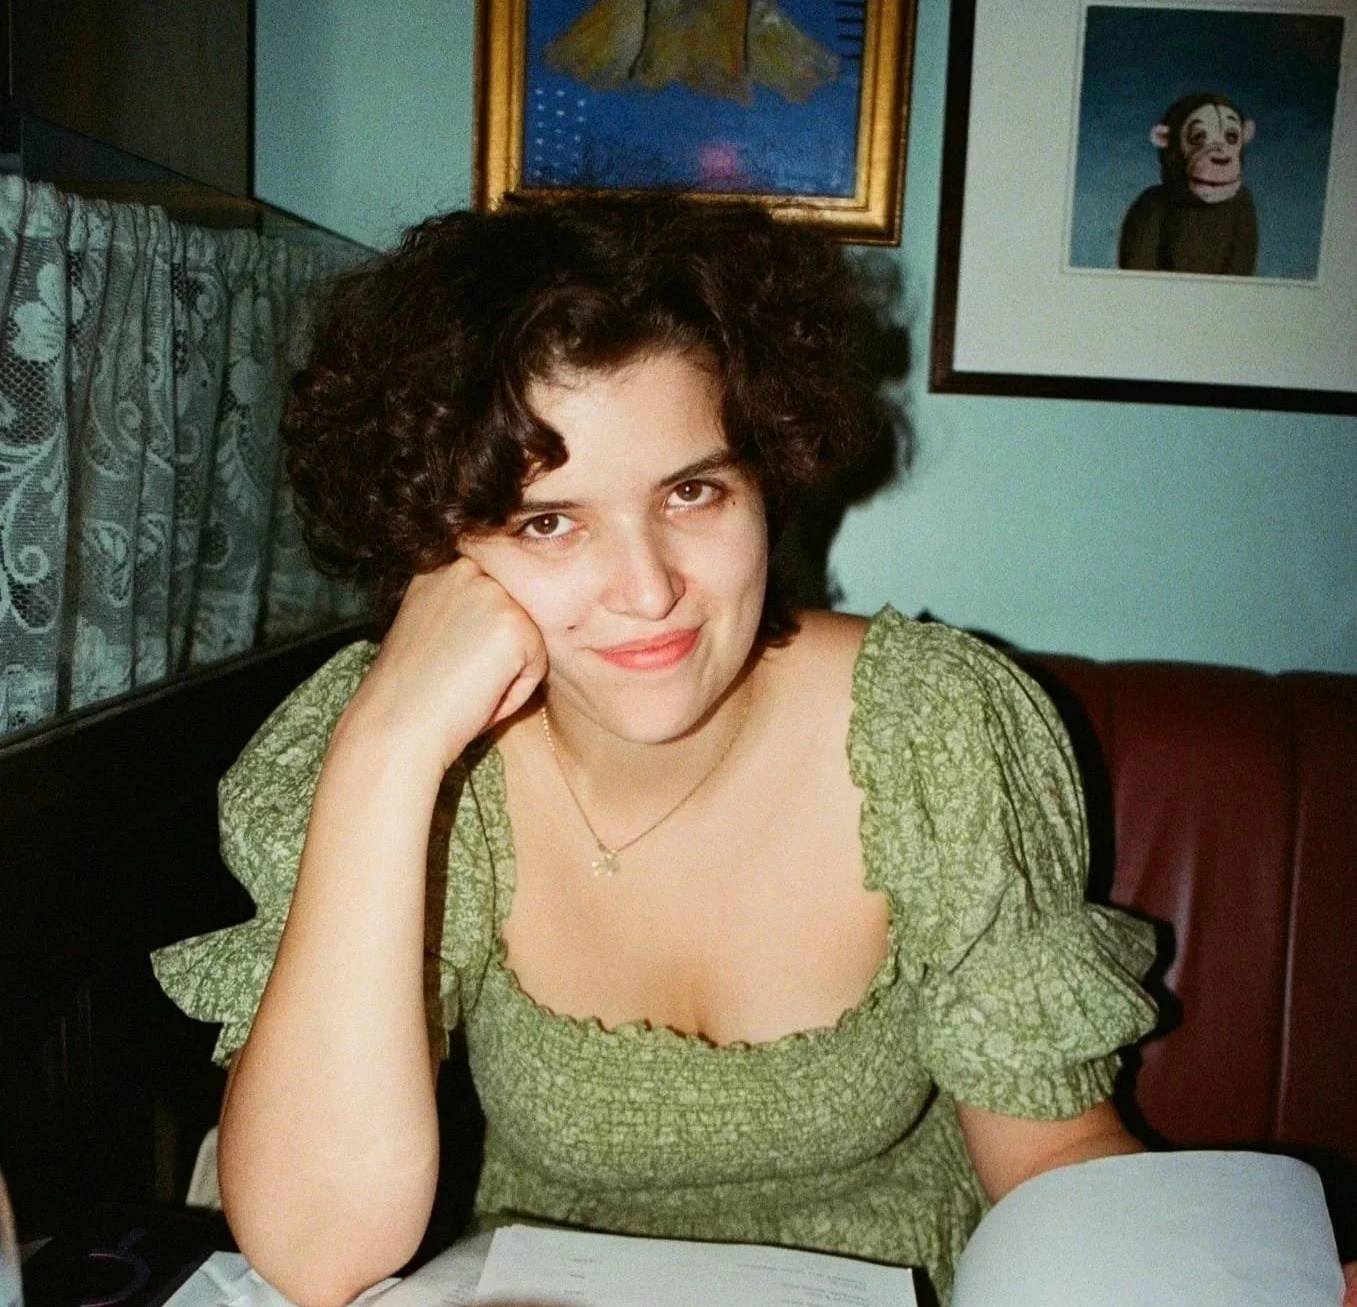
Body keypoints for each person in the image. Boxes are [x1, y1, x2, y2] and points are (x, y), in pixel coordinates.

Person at [148, 197, 1353, 1307]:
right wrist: (389, 750)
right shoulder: (394, 759)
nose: (649, 589)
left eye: (692, 493)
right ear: (437, 544)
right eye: (548, 520)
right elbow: (316, 1251)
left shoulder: (932, 729)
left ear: (762, 477)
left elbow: (1047, 1152)